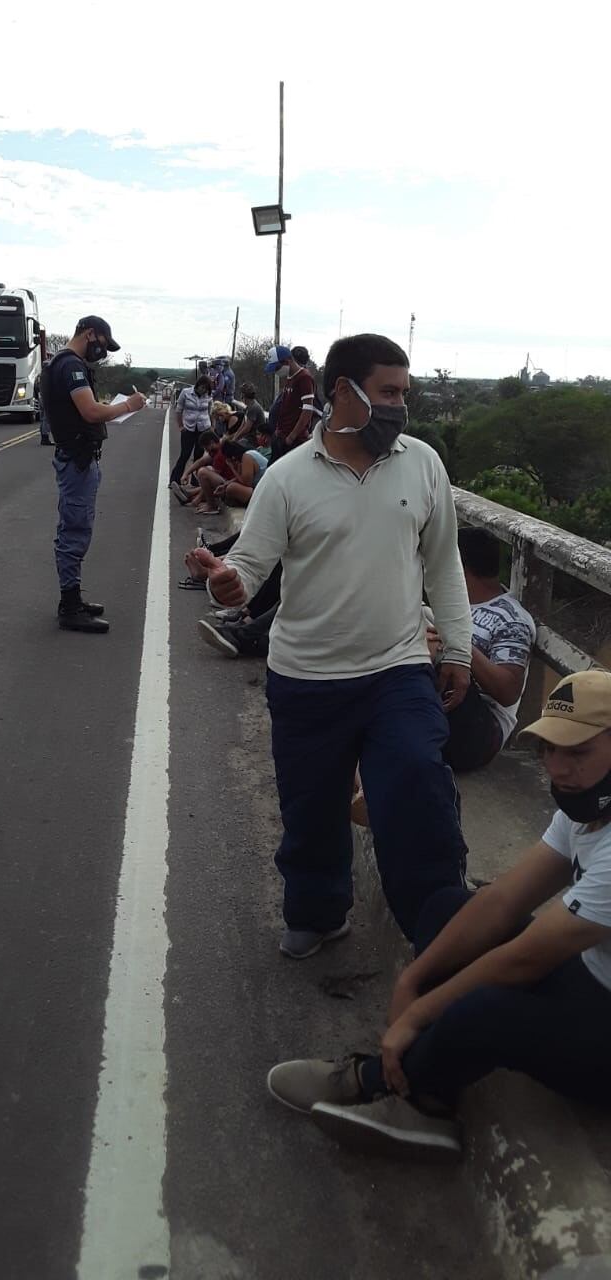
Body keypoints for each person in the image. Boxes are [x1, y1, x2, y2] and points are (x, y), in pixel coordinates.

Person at [195, 333, 472, 956]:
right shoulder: (288, 478)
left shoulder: (422, 463)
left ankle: (441, 930)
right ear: (342, 391)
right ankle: (318, 911)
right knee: (312, 809)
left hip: (398, 669)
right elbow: (247, 573)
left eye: (406, 391)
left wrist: (456, 648)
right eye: (389, 392)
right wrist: (224, 582)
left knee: (416, 783)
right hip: (307, 677)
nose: (402, 405)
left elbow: (444, 563)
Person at [267, 669, 611, 1160]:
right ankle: (422, 1078)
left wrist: (421, 1009)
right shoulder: (589, 809)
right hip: (592, 983)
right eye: (549, 749)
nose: (558, 768)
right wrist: (411, 983)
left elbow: (527, 959)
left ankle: (388, 1089)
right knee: (449, 908)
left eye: (578, 752)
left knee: (486, 1006)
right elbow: (502, 901)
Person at [41, 315, 146, 633]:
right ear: (90, 334)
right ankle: (69, 606)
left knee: (75, 528)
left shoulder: (60, 363)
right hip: (77, 459)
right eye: (102, 344)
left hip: (77, 457)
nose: (103, 351)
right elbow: (89, 411)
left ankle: (72, 598)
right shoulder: (71, 366)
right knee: (74, 531)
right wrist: (128, 406)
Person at [440, 527, 536, 771]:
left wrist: (456, 644)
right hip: (447, 716)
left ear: (459, 567)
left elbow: (507, 690)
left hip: (481, 733)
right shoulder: (455, 604)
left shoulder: (512, 619)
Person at [265, 344, 320, 463]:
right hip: (281, 434)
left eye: (277, 367)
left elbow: (307, 410)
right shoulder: (290, 377)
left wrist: (292, 436)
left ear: (288, 361)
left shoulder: (304, 377)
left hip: (293, 439)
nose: (276, 371)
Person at [169, 375, 213, 491]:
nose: (203, 391)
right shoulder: (186, 393)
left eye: (205, 389)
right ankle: (175, 479)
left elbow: (210, 412)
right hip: (188, 427)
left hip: (203, 428)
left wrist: (211, 427)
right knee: (185, 454)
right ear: (198, 385)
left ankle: (196, 480)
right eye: (202, 388)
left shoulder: (208, 396)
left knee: (199, 455)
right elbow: (179, 410)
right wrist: (180, 426)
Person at [215, 439, 267, 506]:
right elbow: (241, 478)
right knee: (228, 488)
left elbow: (246, 483)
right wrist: (225, 485)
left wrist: (232, 467)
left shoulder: (247, 456)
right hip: (259, 489)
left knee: (231, 488)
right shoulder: (244, 458)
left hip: (263, 491)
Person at [34, 360, 53, 446]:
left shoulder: (39, 376)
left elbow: (36, 388)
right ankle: (45, 438)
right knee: (46, 419)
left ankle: (43, 437)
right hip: (46, 398)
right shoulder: (48, 375)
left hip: (40, 397)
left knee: (43, 419)